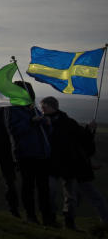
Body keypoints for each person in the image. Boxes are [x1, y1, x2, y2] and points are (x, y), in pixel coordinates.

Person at [41, 96, 108, 229]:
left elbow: (82, 139)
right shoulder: (42, 122)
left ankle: (69, 222)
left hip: (68, 165)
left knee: (70, 196)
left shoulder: (67, 122)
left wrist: (90, 130)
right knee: (50, 192)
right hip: (51, 164)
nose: (42, 110)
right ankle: (51, 220)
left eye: (44, 107)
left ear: (51, 106)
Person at [5, 81, 55, 226]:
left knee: (43, 188)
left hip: (42, 154)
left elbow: (45, 131)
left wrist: (46, 124)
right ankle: (31, 216)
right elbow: (13, 130)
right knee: (28, 187)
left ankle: (47, 218)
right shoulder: (13, 109)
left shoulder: (33, 108)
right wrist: (32, 122)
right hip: (25, 154)